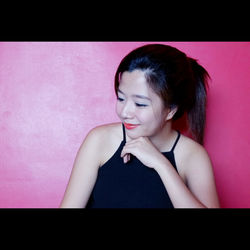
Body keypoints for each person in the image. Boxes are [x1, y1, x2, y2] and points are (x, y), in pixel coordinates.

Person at [60, 44, 220, 208]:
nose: (125, 112)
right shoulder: (100, 140)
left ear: (171, 110)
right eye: (121, 98)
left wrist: (161, 164)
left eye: (140, 104)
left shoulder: (192, 156)